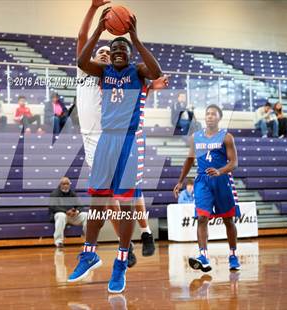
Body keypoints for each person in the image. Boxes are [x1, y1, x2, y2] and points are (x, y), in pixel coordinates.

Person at [68, 7, 162, 294]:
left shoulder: (138, 71)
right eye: (113, 48)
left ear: (130, 53)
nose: (117, 51)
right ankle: (89, 252)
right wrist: (99, 29)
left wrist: (134, 37)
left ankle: (121, 261)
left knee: (127, 204)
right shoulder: (101, 72)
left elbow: (155, 71)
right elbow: (83, 60)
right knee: (98, 203)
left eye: (123, 48)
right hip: (104, 140)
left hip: (129, 142)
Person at [173, 104, 241, 273]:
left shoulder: (227, 137)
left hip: (222, 180)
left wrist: (220, 171)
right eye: (207, 113)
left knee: (228, 220)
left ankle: (233, 255)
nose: (210, 116)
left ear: (219, 117)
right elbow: (189, 160)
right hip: (202, 181)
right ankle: (203, 256)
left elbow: (234, 163)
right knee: (202, 218)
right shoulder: (196, 137)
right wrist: (180, 181)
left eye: (213, 114)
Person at [49, 177, 87, 248]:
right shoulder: (54, 194)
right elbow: (53, 207)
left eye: (67, 184)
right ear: (60, 185)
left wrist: (76, 211)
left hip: (72, 216)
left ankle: (89, 240)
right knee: (61, 215)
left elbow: (80, 206)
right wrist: (66, 211)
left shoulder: (72, 193)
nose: (66, 185)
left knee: (86, 215)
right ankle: (58, 241)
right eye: (64, 184)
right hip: (61, 215)